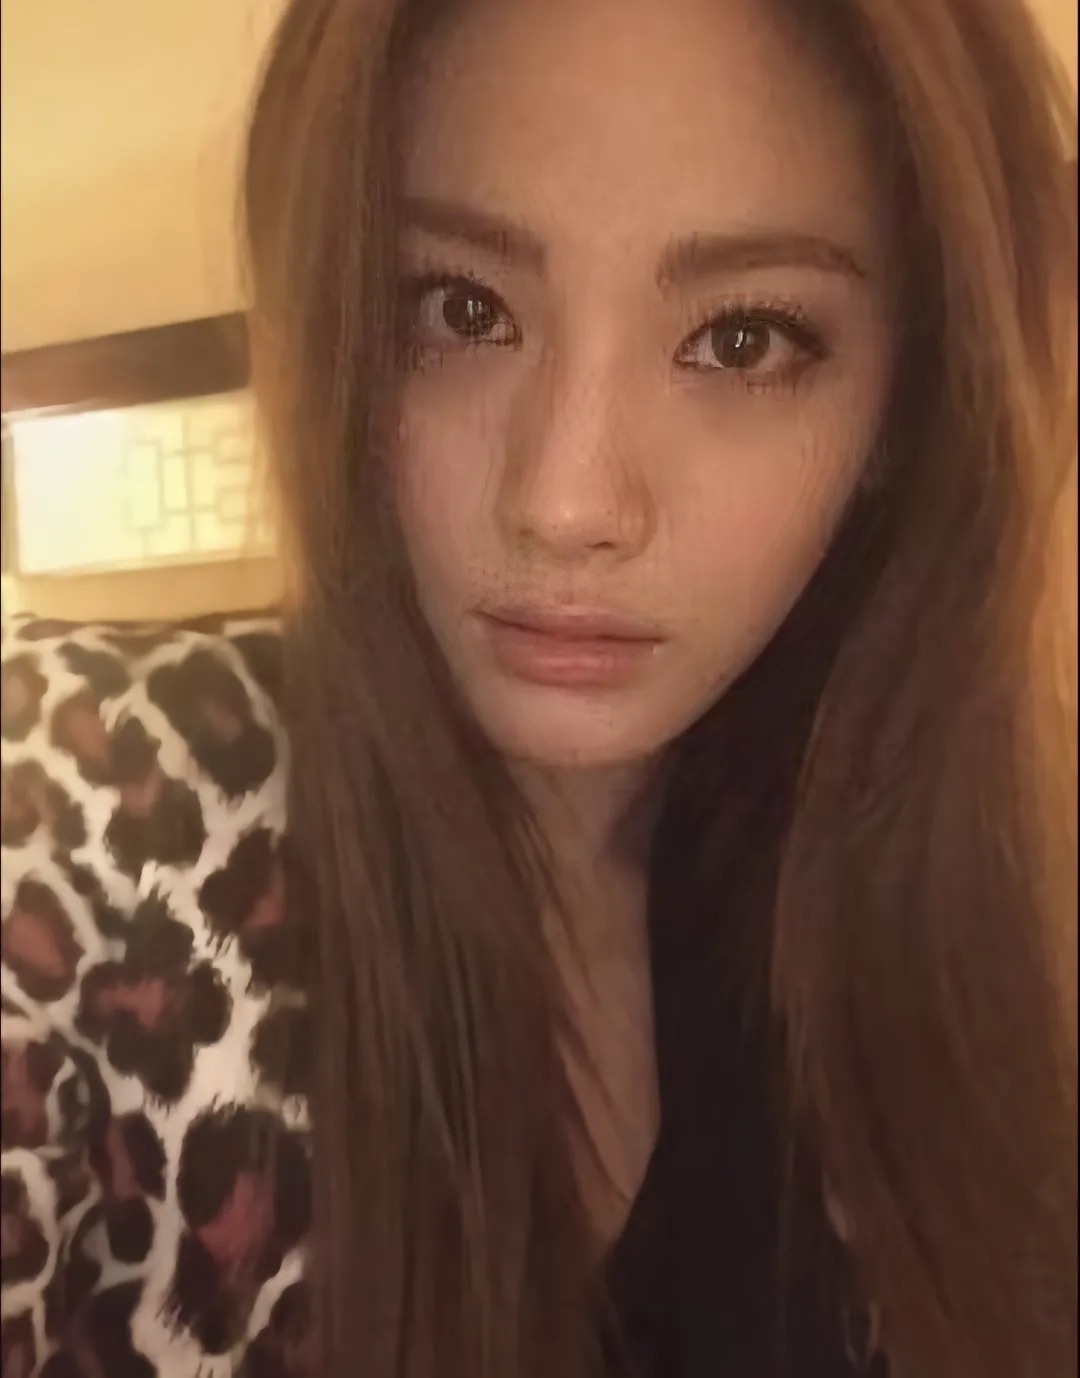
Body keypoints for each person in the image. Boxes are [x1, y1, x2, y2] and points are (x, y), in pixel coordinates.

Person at [1, 0, 1075, 1375]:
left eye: (743, 339)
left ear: (902, 415)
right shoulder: (95, 811)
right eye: (460, 309)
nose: (565, 502)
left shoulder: (984, 918)